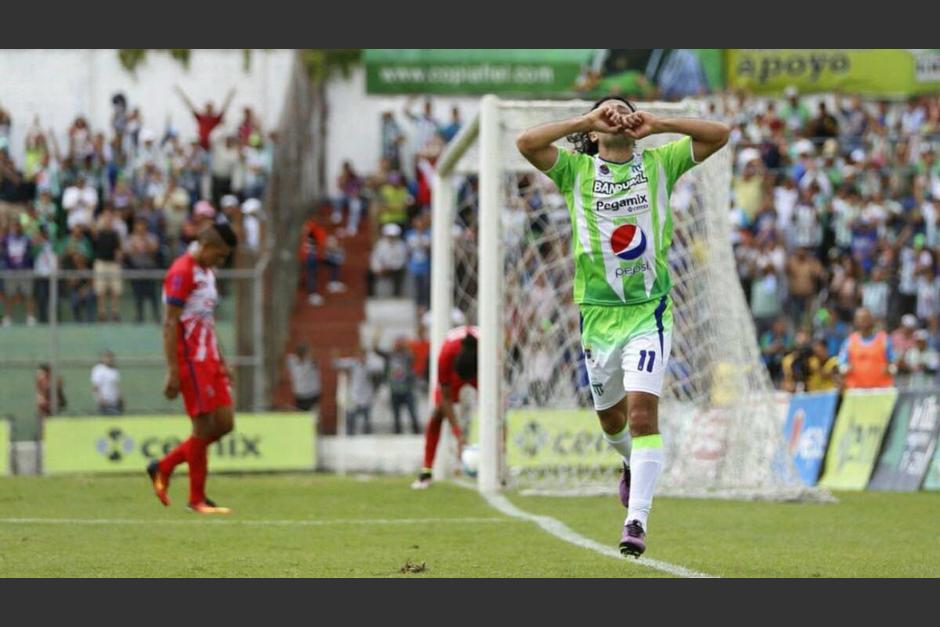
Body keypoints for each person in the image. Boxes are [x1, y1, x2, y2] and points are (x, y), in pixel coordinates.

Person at [516, 95, 729, 556]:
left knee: (640, 416)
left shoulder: (660, 163)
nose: (615, 115)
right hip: (596, 313)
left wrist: (659, 124)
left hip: (648, 311)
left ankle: (636, 520)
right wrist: (586, 118)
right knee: (611, 420)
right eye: (605, 112)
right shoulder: (575, 171)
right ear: (593, 132)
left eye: (622, 109)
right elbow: (526, 143)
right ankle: (632, 465)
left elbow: (720, 134)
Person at [148, 221, 239, 514]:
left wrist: (223, 360)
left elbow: (206, 320)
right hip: (191, 362)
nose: (221, 261)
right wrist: (173, 370)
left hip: (210, 359)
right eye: (221, 255)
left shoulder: (208, 273)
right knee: (202, 427)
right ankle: (196, 498)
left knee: (225, 423)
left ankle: (164, 466)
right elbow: (170, 322)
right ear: (209, 246)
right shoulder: (182, 272)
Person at [411, 325, 479, 490]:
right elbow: (446, 400)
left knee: (498, 411)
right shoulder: (446, 356)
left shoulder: (489, 351)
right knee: (437, 413)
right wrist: (458, 434)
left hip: (482, 368)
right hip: (454, 371)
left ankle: (500, 466)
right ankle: (426, 471)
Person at [838, 307, 897, 390]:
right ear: (855, 321)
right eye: (860, 318)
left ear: (872, 320)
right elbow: (841, 366)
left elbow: (893, 363)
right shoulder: (849, 342)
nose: (863, 321)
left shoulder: (884, 339)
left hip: (881, 390)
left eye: (866, 318)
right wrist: (846, 368)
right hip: (856, 391)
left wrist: (890, 369)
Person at [374, 334, 421, 435]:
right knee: (396, 414)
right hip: (394, 389)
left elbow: (413, 357)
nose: (398, 345)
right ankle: (397, 432)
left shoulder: (407, 355)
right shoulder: (390, 355)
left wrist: (405, 345)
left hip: (407, 389)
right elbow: (376, 351)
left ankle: (416, 431)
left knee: (412, 412)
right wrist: (376, 337)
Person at [175, 85, 236, 151]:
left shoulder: (215, 119)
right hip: (201, 144)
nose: (208, 110)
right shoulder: (201, 118)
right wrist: (181, 93)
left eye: (210, 108)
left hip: (211, 146)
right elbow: (189, 105)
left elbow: (224, 108)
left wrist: (230, 96)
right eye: (207, 108)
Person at [92, 209, 124, 322]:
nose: (108, 219)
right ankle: (102, 313)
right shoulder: (98, 232)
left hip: (113, 264)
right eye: (106, 217)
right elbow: (92, 229)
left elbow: (119, 248)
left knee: (116, 290)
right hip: (101, 263)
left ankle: (115, 312)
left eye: (110, 217)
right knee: (100, 290)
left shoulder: (116, 233)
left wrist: (119, 256)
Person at [286, 344, 321, 411]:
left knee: (313, 416)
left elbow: (314, 361)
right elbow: (284, 358)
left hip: (312, 394)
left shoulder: (311, 362)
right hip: (300, 395)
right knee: (302, 415)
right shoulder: (292, 361)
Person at [90, 350, 123, 415]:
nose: (110, 359)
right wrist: (100, 400)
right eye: (107, 357)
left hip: (115, 402)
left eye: (111, 357)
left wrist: (120, 397)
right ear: (102, 358)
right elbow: (95, 388)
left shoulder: (114, 370)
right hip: (105, 403)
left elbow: (116, 386)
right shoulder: (98, 369)